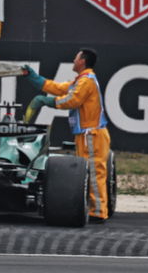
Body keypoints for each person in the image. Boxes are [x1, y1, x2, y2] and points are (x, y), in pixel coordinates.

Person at [23, 48, 110, 222]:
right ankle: (95, 208)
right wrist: (35, 78)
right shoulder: (82, 80)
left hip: (91, 134)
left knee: (94, 172)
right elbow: (58, 88)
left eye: (76, 57)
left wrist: (47, 101)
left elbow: (71, 100)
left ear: (82, 61)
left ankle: (98, 212)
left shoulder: (86, 81)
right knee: (88, 172)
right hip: (86, 134)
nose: (73, 60)